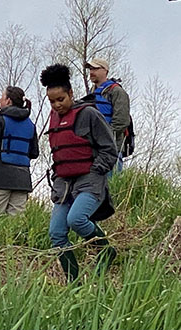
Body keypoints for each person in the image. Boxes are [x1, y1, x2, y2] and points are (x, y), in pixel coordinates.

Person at [40, 64, 118, 283]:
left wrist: (96, 171)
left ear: (71, 94)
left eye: (61, 99)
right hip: (64, 185)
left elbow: (109, 149)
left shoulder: (89, 114)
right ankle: (73, 282)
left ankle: (106, 251)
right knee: (56, 234)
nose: (57, 105)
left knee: (77, 219)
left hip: (89, 182)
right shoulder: (54, 119)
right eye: (52, 101)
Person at [0, 86, 39, 215]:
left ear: (8, 101)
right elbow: (34, 153)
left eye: (2, 97)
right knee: (15, 225)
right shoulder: (30, 125)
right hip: (22, 180)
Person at [85, 58, 131, 171]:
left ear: (105, 71)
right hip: (93, 150)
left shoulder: (117, 92)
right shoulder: (91, 93)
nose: (91, 72)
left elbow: (122, 121)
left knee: (111, 186)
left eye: (95, 68)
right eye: (90, 69)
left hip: (112, 150)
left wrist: (105, 138)